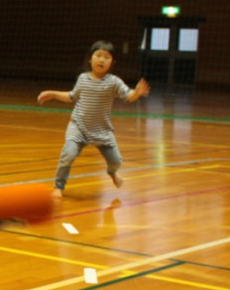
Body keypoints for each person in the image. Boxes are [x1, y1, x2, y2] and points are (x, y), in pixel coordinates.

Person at [36, 40, 149, 198]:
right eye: (98, 55)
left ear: (112, 62)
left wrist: (136, 93)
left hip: (101, 130)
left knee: (116, 162)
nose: (101, 60)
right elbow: (72, 96)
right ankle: (59, 186)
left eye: (107, 57)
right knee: (68, 155)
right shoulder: (82, 78)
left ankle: (112, 173)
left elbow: (128, 95)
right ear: (90, 59)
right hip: (79, 126)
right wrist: (53, 94)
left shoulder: (113, 82)